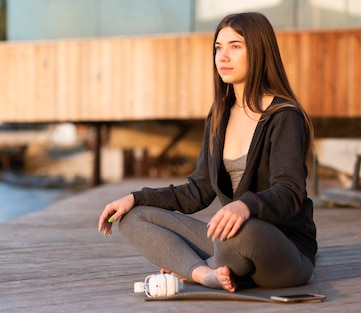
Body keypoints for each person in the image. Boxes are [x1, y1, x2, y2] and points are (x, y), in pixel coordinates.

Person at [98, 12, 316, 293]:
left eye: (235, 46)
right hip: (232, 239)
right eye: (218, 48)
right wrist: (135, 198)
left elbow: (290, 191)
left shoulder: (283, 115)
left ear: (260, 51)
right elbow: (198, 191)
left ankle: (197, 264)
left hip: (282, 249)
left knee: (235, 234)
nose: (223, 56)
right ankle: (203, 273)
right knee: (133, 218)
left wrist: (244, 205)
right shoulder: (219, 115)